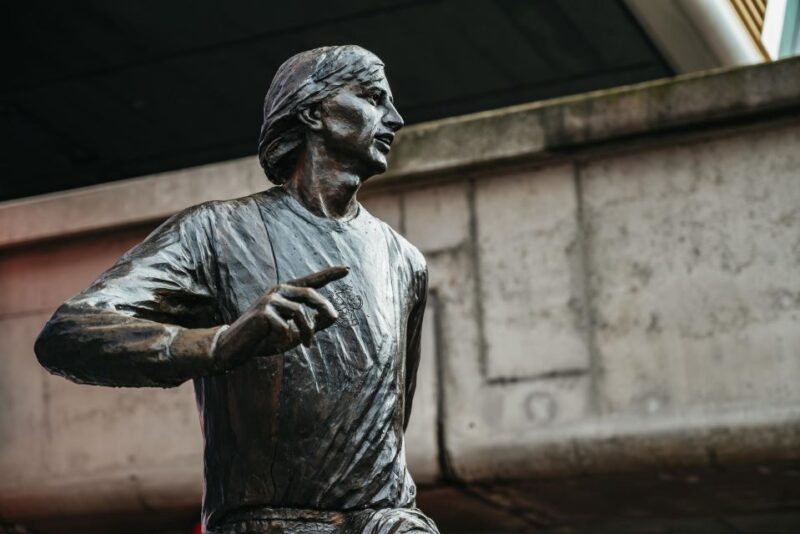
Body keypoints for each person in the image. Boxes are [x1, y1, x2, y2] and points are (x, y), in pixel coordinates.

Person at [35, 45, 438, 534]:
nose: (394, 118)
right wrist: (219, 344)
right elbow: (71, 332)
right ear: (313, 111)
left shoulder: (405, 261)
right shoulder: (217, 232)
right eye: (373, 97)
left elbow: (392, 427)